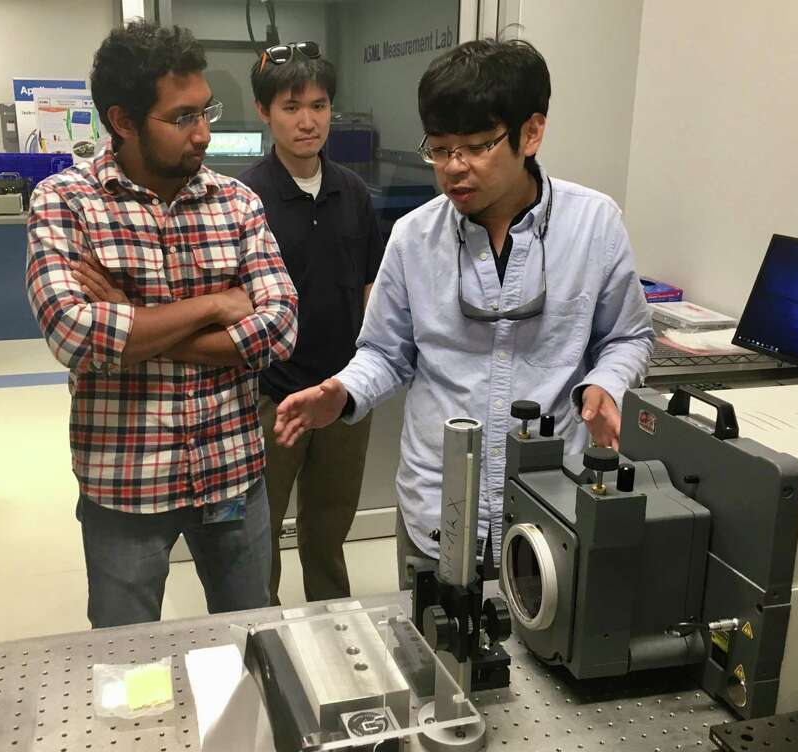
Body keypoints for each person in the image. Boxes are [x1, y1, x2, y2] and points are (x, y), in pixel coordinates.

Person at [272, 39, 654, 589]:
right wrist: (344, 391)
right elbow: (385, 352)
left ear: (531, 133)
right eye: (440, 149)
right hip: (437, 507)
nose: (453, 169)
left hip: (552, 508)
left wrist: (606, 384)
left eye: (476, 147)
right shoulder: (413, 237)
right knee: (433, 659)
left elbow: (628, 336)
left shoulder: (593, 225)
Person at [25, 22, 298, 628]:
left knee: (252, 638)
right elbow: (75, 336)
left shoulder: (236, 202)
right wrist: (214, 305)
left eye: (206, 111)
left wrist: (132, 318)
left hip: (231, 473)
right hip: (126, 483)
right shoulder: (65, 202)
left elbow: (279, 328)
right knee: (126, 666)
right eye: (182, 118)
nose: (203, 133)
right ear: (122, 121)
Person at [237, 42, 384, 604]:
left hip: (343, 392)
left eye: (319, 106)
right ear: (264, 112)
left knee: (329, 529)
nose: (307, 121)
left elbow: (372, 285)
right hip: (271, 395)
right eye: (291, 107)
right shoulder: (246, 198)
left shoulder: (353, 192)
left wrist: (363, 373)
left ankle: (334, 631)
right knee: (261, 531)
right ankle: (265, 638)